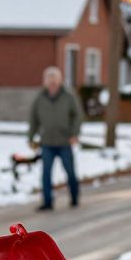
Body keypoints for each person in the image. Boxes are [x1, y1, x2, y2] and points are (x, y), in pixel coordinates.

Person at [28, 66, 82, 211]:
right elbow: (33, 118)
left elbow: (77, 116)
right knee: (46, 173)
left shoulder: (68, 96)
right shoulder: (40, 98)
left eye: (55, 80)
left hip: (65, 141)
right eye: (49, 81)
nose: (52, 83)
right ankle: (47, 202)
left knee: (70, 171)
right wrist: (31, 137)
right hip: (47, 142)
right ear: (45, 82)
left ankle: (75, 196)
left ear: (60, 81)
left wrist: (74, 133)